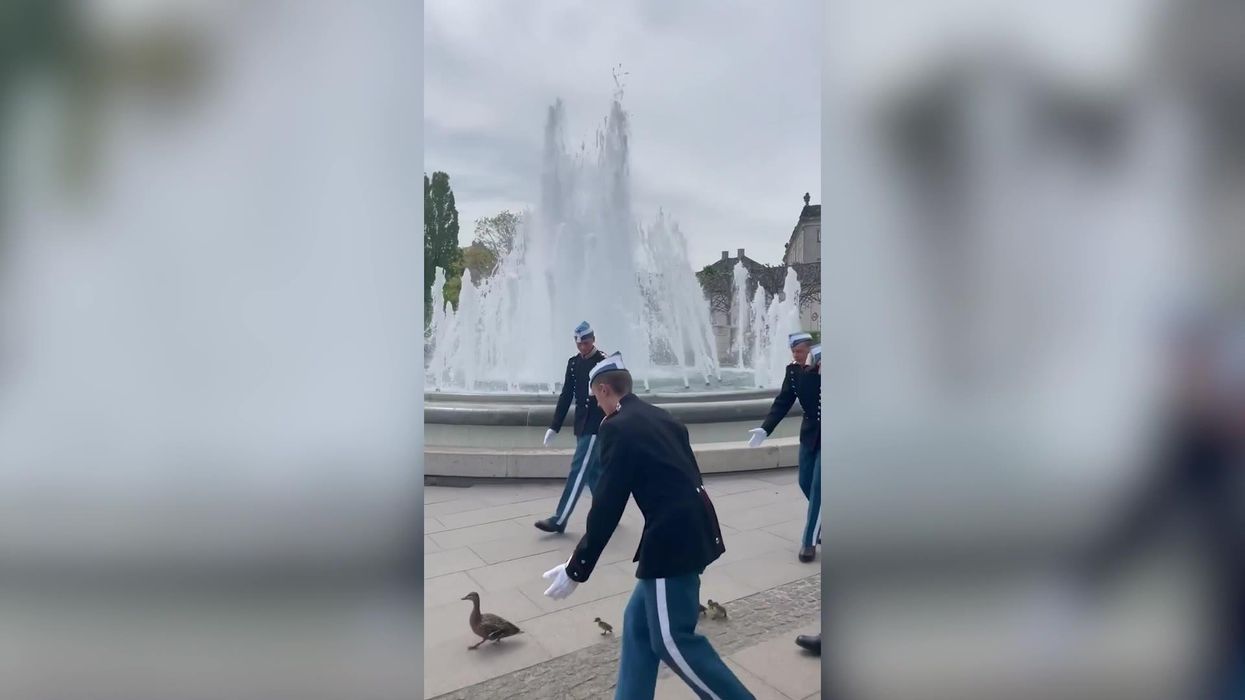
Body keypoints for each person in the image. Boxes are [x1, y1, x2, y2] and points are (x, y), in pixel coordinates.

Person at [541, 352, 755, 700]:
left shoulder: (616, 427)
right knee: (638, 627)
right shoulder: (662, 417)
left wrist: (577, 567)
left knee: (673, 641)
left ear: (606, 390)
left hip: (672, 542)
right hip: (695, 527)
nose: (597, 406)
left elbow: (607, 505)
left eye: (596, 397)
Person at [748, 332, 822, 562]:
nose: (795, 355)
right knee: (805, 481)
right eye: (793, 351)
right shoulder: (793, 371)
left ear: (810, 351)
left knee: (820, 488)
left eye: (799, 351)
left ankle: (808, 541)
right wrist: (765, 429)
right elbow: (783, 401)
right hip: (810, 433)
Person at [534, 321, 607, 534]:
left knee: (578, 469)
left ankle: (559, 518)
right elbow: (567, 395)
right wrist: (554, 426)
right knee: (594, 473)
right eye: (579, 344)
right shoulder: (574, 363)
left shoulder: (603, 361)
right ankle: (608, 510)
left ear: (593, 339)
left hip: (597, 424)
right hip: (581, 423)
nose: (582, 347)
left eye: (585, 342)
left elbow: (618, 390)